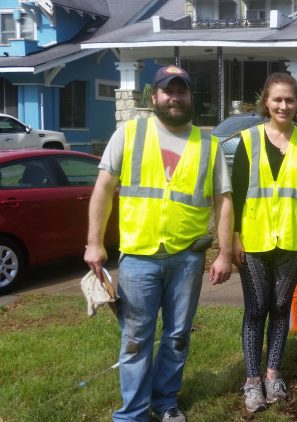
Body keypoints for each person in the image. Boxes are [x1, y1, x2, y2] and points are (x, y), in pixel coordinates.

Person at [85, 65, 233, 422]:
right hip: (138, 258)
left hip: (188, 258)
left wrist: (225, 252)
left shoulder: (209, 144)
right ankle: (133, 413)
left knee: (178, 335)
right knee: (135, 339)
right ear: (154, 96)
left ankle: (165, 402)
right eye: (168, 91)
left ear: (189, 97)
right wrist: (94, 243)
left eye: (181, 91)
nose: (175, 97)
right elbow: (103, 189)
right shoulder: (129, 134)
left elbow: (224, 200)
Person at [230, 72, 297, 413]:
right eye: (277, 99)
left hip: (293, 239)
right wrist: (235, 238)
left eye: (290, 100)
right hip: (253, 240)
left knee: (281, 307)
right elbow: (238, 192)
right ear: (266, 102)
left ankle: (273, 374)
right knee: (256, 309)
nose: (284, 105)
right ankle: (252, 381)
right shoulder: (249, 140)